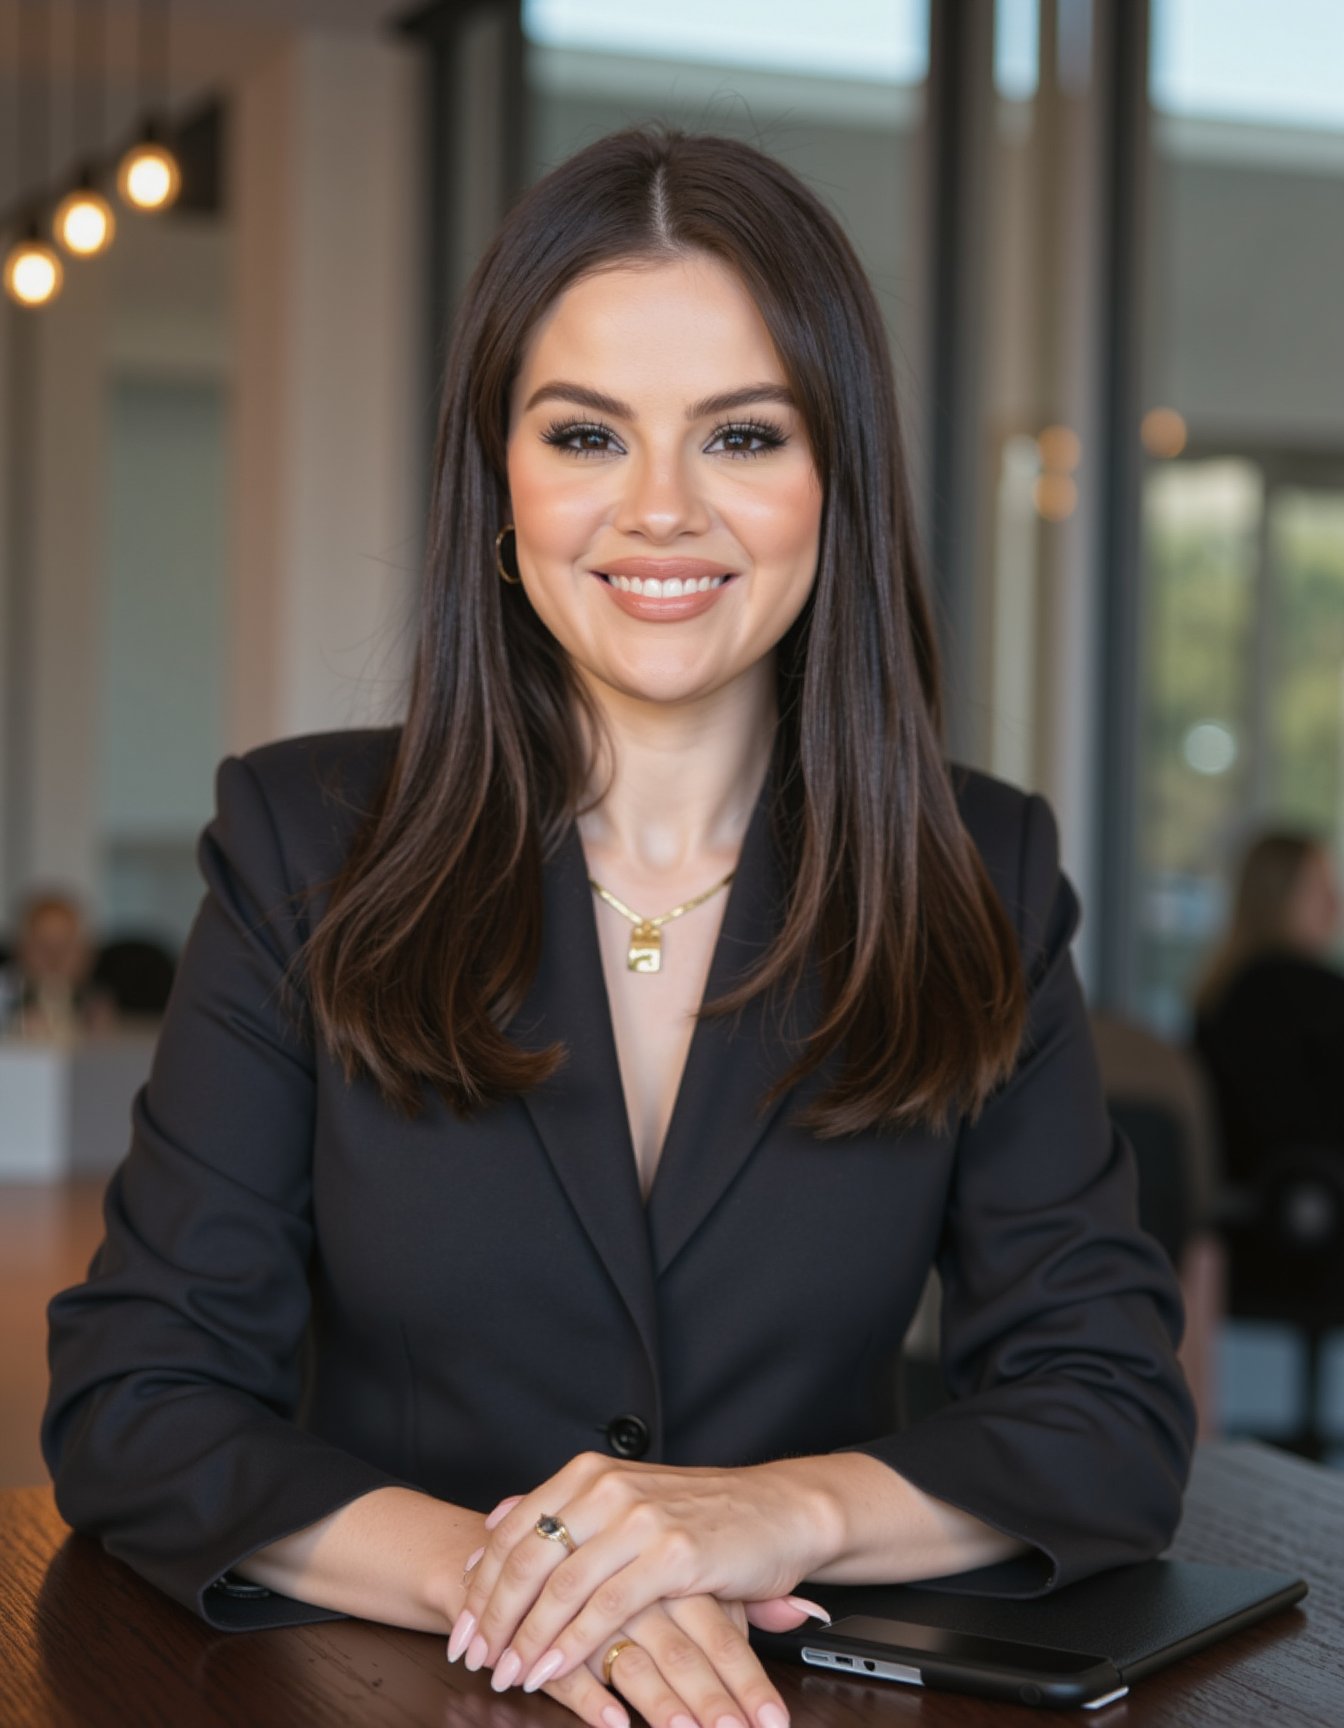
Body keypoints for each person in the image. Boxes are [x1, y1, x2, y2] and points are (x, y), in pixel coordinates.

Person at [43, 128, 1194, 1728]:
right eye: (587, 433)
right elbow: (136, 1400)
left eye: (740, 434)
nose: (660, 510)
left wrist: (768, 1512)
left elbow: (1111, 1416)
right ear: (499, 488)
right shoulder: (303, 847)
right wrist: (512, 1579)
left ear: (832, 482)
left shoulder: (977, 871)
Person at [1193, 831, 1344, 1185]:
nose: (1335, 904)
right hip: (1312, 1210)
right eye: (1319, 890)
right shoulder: (1310, 993)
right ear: (1277, 898)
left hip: (1240, 1209)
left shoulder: (1219, 993)